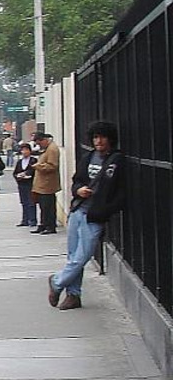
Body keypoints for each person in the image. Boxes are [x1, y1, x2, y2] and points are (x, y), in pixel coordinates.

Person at [48, 121, 127, 310]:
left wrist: (105, 211)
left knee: (82, 256)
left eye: (102, 137)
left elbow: (121, 194)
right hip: (78, 210)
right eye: (95, 137)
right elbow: (77, 181)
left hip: (95, 216)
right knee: (73, 255)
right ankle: (73, 295)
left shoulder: (117, 161)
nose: (98, 141)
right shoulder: (88, 158)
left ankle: (57, 282)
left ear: (110, 138)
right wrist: (78, 190)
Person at [31, 131, 61, 234]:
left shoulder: (52, 149)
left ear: (44, 140)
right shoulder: (46, 148)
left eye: (39, 143)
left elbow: (52, 166)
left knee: (48, 206)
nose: (39, 145)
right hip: (42, 184)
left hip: (48, 184)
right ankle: (43, 224)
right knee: (43, 206)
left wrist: (38, 166)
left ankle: (50, 226)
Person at [13, 142, 38, 227]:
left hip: (30, 184)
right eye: (23, 150)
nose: (24, 152)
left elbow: (34, 171)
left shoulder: (33, 160)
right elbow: (15, 172)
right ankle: (25, 220)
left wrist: (27, 174)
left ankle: (32, 220)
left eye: (26, 150)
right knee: (24, 202)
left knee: (31, 202)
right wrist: (18, 176)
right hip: (22, 184)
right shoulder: (20, 162)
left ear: (30, 151)